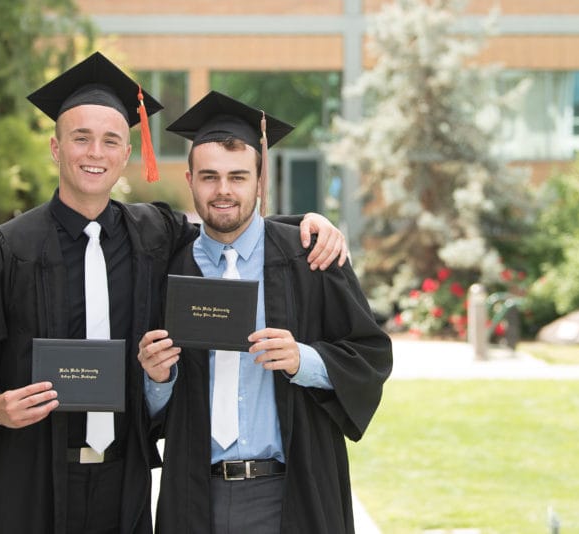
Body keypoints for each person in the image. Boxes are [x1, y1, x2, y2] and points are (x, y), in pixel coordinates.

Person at [0, 54, 348, 534]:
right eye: (81, 138)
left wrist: (307, 225)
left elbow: (228, 225)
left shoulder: (152, 234)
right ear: (57, 149)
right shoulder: (5, 250)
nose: (95, 152)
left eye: (110, 140)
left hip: (125, 480)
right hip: (28, 476)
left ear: (125, 155)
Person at [138, 91, 394, 534]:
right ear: (190, 179)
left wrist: (304, 360)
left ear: (260, 178)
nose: (223, 191)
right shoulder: (168, 269)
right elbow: (150, 407)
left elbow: (371, 358)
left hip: (291, 492)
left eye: (238, 177)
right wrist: (156, 380)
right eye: (209, 177)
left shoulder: (310, 258)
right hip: (195, 495)